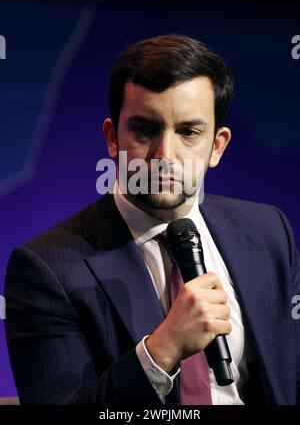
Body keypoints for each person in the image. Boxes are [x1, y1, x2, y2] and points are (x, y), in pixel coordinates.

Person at [5, 34, 300, 405]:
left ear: (218, 146)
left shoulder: (269, 232)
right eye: (145, 129)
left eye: (188, 132)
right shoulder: (46, 269)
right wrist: (164, 349)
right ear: (112, 138)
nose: (165, 154)